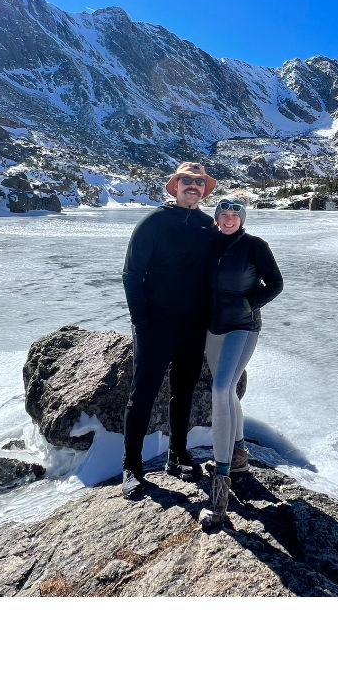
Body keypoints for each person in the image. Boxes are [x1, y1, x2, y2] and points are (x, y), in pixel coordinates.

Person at [120, 160, 218, 499]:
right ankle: (131, 467)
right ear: (174, 186)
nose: (193, 186)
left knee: (184, 392)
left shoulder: (209, 226)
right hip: (156, 325)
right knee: (143, 394)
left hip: (194, 326)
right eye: (187, 181)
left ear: (204, 190)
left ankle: (178, 455)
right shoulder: (154, 223)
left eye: (199, 182)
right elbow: (131, 274)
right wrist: (140, 321)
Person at [200, 197, 284, 528]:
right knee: (229, 389)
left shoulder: (254, 246)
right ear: (217, 218)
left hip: (243, 327)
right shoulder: (209, 245)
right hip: (213, 328)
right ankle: (237, 456)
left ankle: (220, 493)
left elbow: (275, 284)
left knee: (221, 388)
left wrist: (249, 304)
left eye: (236, 214)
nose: (230, 218)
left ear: (242, 218)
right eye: (224, 213)